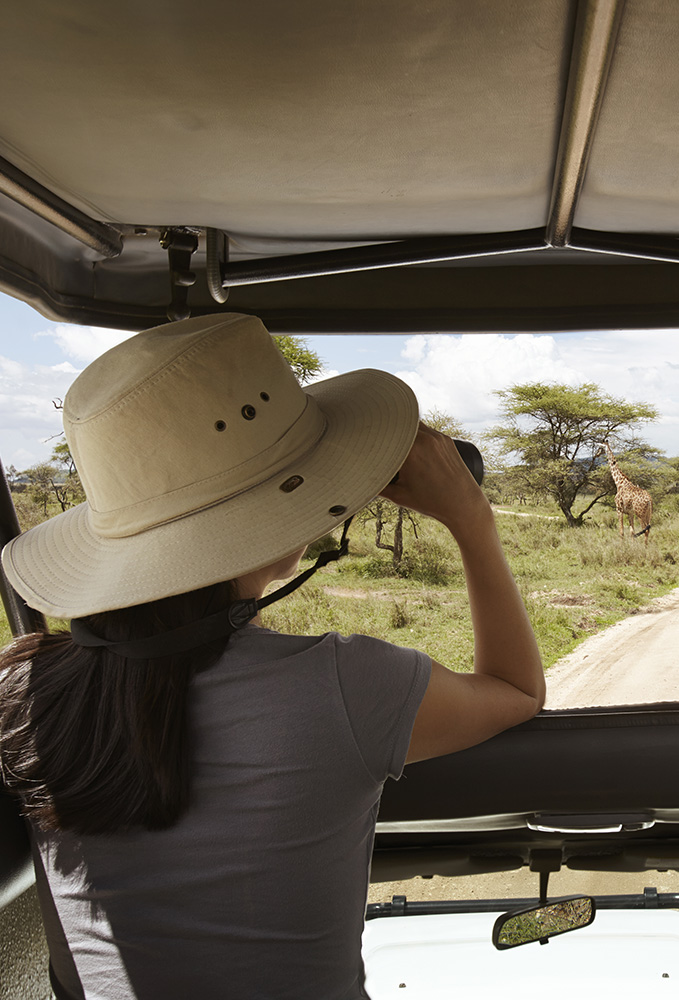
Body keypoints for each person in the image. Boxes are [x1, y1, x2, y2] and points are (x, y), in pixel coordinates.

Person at [0, 313, 545, 999]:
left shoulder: (20, 687)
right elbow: (516, 690)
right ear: (279, 520)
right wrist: (471, 519)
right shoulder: (345, 683)